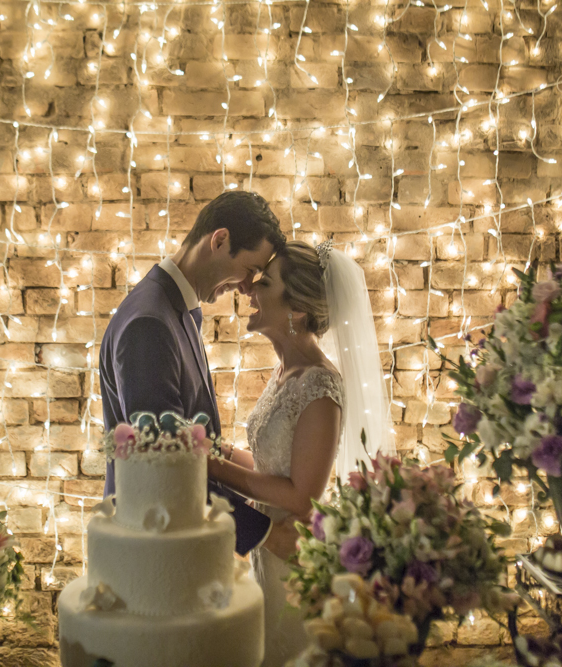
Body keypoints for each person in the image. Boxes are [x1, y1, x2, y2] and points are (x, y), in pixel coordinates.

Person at [208, 239, 391, 666]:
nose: (249, 291)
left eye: (264, 283)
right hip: (268, 550)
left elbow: (301, 496)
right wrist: (220, 451)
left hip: (294, 559)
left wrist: (212, 467)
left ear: (297, 311)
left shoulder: (320, 386)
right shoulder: (285, 371)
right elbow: (273, 467)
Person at [99, 190, 292, 556]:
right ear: (219, 240)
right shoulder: (149, 324)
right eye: (250, 269)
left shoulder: (178, 309)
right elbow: (163, 464)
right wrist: (265, 533)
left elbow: (188, 439)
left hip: (183, 540)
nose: (247, 287)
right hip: (154, 549)